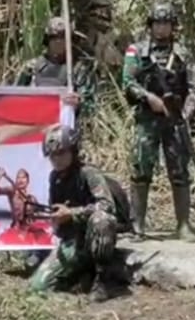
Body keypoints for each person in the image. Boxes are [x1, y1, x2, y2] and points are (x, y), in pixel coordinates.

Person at [121, 1, 195, 241]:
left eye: (166, 23)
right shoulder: (137, 51)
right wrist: (149, 98)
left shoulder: (183, 53)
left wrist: (184, 112)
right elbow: (128, 82)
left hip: (174, 120)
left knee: (179, 171)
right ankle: (138, 226)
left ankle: (183, 225)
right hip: (147, 119)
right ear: (150, 25)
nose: (162, 28)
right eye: (157, 22)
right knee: (141, 170)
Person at [29, 124, 132, 302]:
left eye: (61, 153)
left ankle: (103, 280)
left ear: (73, 151)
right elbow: (58, 214)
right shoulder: (55, 178)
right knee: (37, 286)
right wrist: (52, 217)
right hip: (73, 240)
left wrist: (72, 213)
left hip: (94, 234)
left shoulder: (88, 173)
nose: (56, 159)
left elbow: (106, 205)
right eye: (52, 155)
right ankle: (81, 274)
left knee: (102, 219)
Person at [14, 16, 94, 118]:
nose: (59, 42)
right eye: (54, 38)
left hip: (66, 128)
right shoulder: (31, 68)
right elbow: (15, 97)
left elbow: (90, 106)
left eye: (63, 38)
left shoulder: (78, 70)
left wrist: (78, 103)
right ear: (48, 40)